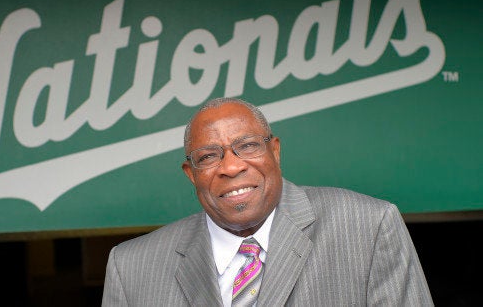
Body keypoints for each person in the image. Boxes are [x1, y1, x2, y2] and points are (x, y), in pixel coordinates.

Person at [102, 97, 433, 306]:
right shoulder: (131, 268)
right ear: (191, 173)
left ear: (274, 150)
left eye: (247, 146)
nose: (231, 166)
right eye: (208, 156)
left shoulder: (368, 227)